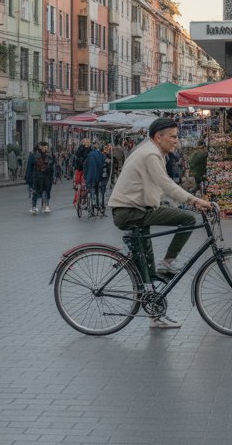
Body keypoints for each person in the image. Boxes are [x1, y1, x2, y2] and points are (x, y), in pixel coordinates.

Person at [109, 117, 212, 330]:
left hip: (136, 209)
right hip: (130, 212)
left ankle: (154, 315)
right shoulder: (150, 154)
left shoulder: (153, 152)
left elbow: (159, 187)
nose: (176, 141)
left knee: (148, 269)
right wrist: (193, 201)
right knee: (187, 219)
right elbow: (165, 184)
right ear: (159, 137)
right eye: (173, 136)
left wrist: (181, 199)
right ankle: (167, 263)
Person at [26, 142, 55, 214]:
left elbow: (51, 167)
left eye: (45, 147)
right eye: (43, 147)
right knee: (38, 192)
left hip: (44, 177)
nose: (44, 148)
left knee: (44, 191)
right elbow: (31, 167)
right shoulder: (35, 156)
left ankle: (43, 206)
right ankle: (36, 207)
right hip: (38, 177)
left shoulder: (48, 155)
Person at [83, 142, 106, 211]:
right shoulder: (102, 155)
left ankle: (92, 203)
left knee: (92, 189)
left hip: (91, 176)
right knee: (100, 190)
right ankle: (101, 205)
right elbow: (104, 165)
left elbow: (86, 167)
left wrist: (86, 177)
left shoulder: (89, 155)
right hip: (99, 176)